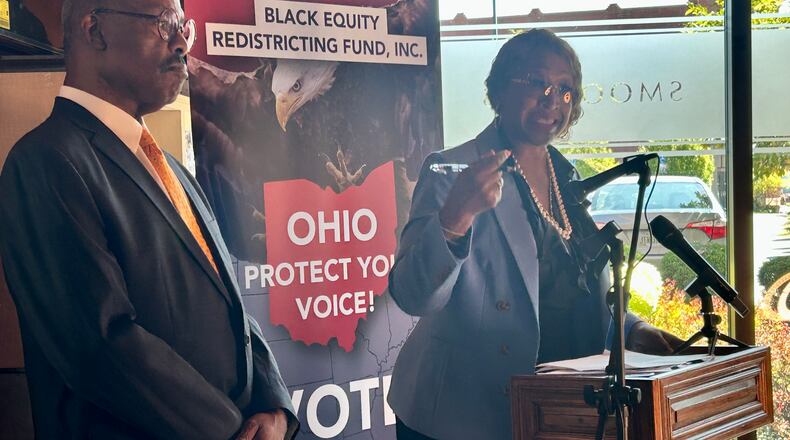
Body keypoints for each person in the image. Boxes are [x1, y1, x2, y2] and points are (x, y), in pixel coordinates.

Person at [0, 0, 297, 439]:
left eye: (185, 28)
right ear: (93, 29)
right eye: (165, 24)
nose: (182, 44)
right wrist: (231, 431)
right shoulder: (45, 161)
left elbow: (226, 301)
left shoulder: (173, 169)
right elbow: (100, 344)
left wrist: (274, 406)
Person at [387, 29, 681, 440]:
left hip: (557, 410)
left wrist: (631, 330)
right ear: (500, 89)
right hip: (463, 414)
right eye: (536, 82)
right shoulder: (450, 170)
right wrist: (455, 217)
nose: (552, 99)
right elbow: (412, 295)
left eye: (565, 89)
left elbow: (571, 290)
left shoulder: (568, 176)